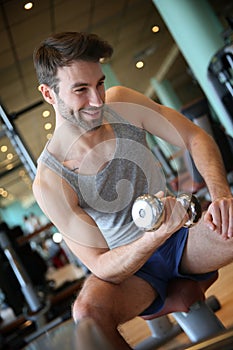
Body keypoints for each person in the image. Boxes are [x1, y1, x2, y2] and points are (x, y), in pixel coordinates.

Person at [32, 32, 233, 349]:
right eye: (81, 90)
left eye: (99, 83)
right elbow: (100, 265)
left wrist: (222, 195)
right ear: (49, 94)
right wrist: (153, 237)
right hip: (131, 273)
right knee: (87, 314)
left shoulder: (123, 103)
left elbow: (194, 137)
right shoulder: (49, 182)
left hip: (182, 237)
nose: (98, 100)